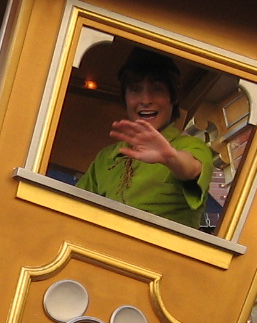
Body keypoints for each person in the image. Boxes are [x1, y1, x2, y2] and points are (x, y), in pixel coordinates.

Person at [78, 49, 214, 228]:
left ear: (172, 98)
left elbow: (191, 168)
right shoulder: (106, 157)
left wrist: (170, 157)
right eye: (135, 90)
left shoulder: (191, 145)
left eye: (157, 89)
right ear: (125, 99)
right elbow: (74, 206)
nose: (146, 99)